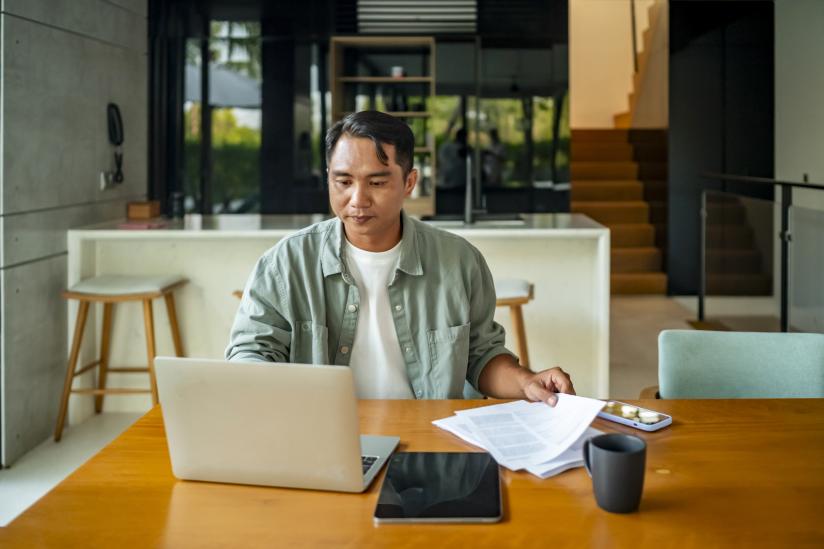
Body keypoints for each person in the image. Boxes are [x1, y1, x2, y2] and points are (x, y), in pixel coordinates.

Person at [226, 111, 574, 405]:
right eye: (343, 181)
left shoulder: (459, 262)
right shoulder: (286, 263)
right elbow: (250, 353)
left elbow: (481, 356)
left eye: (376, 183)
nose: (357, 199)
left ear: (409, 182)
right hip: (321, 435)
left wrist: (527, 381)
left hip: (427, 435)